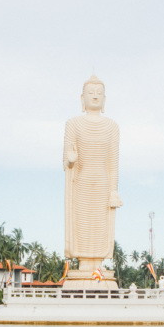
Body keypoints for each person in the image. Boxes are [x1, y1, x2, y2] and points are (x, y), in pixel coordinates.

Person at [63, 75, 122, 275]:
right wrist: (71, 159)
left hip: (103, 183)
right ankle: (83, 265)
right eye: (90, 93)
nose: (95, 96)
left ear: (105, 99)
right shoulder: (73, 124)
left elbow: (113, 163)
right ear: (82, 98)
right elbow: (67, 161)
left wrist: (114, 191)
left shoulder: (112, 127)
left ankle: (98, 265)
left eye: (99, 93)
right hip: (81, 181)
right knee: (82, 224)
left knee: (100, 226)